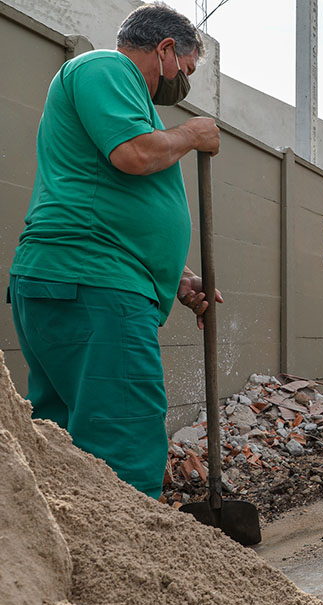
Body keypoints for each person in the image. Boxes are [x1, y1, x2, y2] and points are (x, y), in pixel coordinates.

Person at [8, 2, 221, 499]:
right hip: (95, 286)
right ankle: (129, 573)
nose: (182, 86)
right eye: (184, 71)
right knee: (123, 440)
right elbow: (134, 155)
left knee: (68, 450)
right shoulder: (107, 67)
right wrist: (192, 133)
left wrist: (175, 275)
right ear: (165, 49)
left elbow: (106, 198)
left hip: (82, 280)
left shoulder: (122, 95)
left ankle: (71, 556)